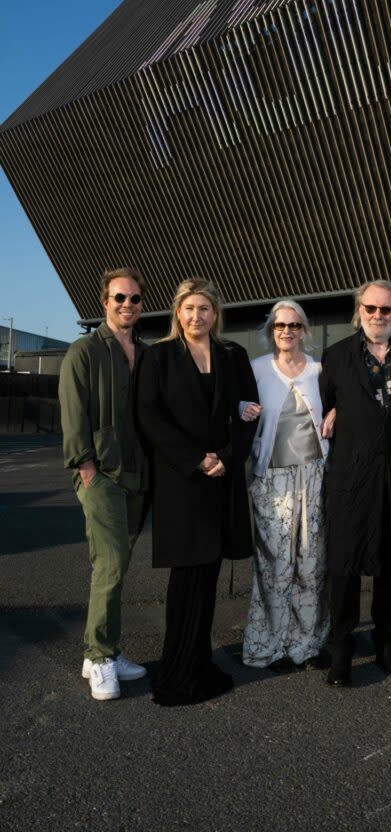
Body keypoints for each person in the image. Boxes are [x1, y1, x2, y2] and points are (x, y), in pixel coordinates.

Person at [136, 278, 257, 706]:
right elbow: (149, 417)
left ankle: (200, 662)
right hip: (182, 482)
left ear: (215, 314)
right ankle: (176, 673)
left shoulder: (232, 355)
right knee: (185, 577)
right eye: (189, 309)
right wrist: (196, 459)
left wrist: (228, 455)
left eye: (204, 309)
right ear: (177, 312)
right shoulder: (159, 356)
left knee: (207, 575)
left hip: (221, 479)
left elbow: (248, 413)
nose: (196, 317)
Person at [320, 280, 391, 687]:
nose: (378, 316)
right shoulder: (335, 356)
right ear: (359, 311)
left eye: (386, 309)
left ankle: (386, 641)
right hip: (350, 476)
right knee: (344, 564)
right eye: (370, 309)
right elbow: (322, 404)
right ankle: (342, 647)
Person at [59, 267, 149, 701]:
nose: (126, 305)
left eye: (134, 299)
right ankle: (97, 658)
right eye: (119, 298)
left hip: (139, 476)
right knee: (110, 564)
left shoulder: (146, 353)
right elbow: (73, 413)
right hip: (102, 476)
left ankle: (107, 651)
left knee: (118, 567)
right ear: (104, 302)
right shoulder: (84, 351)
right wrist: (86, 468)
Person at [242, 300, 330, 670]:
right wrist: (241, 409)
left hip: (314, 476)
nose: (287, 331)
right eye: (280, 326)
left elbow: (337, 403)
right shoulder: (258, 369)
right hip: (272, 477)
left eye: (294, 325)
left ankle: (308, 644)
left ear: (303, 329)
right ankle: (271, 645)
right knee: (274, 564)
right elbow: (237, 405)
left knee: (311, 562)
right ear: (271, 331)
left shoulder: (319, 369)